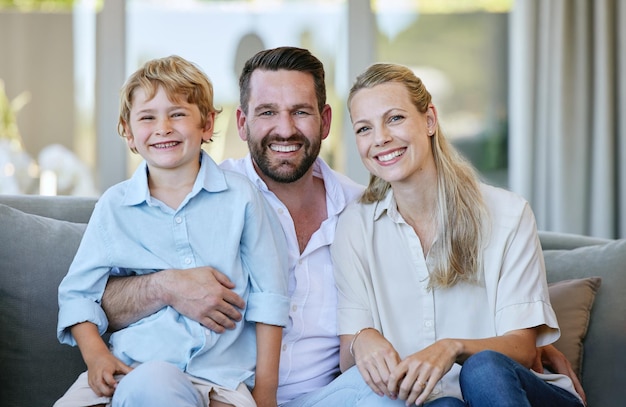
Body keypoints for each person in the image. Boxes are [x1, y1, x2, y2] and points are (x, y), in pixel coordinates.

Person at [99, 48, 586, 406]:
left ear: (325, 121)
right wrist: (166, 286)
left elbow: (369, 348)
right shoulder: (204, 196)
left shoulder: (358, 210)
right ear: (242, 123)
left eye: (301, 112)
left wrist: (514, 356)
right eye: (268, 112)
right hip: (224, 393)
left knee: (405, 395)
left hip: (331, 397)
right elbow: (99, 300)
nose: (285, 128)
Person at [324, 62, 585, 406]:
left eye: (395, 118)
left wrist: (452, 348)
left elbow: (522, 349)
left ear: (429, 120)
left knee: (482, 369)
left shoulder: (507, 214)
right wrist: (362, 339)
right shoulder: (354, 226)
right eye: (363, 128)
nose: (380, 138)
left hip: (518, 394)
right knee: (443, 404)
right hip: (436, 401)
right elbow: (349, 360)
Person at [55, 55, 289, 407]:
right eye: (147, 117)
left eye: (177, 114)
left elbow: (270, 298)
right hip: (130, 371)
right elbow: (77, 295)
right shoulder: (114, 206)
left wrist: (266, 394)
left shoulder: (242, 198)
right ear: (128, 132)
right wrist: (96, 356)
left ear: (207, 124)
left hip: (220, 379)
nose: (163, 127)